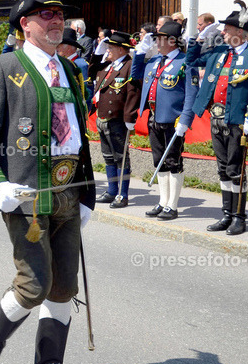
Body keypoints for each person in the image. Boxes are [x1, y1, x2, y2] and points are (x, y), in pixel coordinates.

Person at [0, 0, 95, 364]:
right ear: (25, 24)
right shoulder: (4, 67)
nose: (56, 20)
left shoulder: (72, 71)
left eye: (60, 14)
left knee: (62, 288)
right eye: (46, 14)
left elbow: (80, 137)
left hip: (69, 190)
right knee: (34, 284)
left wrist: (89, 192)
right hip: (25, 193)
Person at [180, 11, 248, 235]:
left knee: (235, 169)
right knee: (222, 169)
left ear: (240, 32)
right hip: (217, 118)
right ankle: (227, 214)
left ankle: (239, 216)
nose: (222, 32)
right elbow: (190, 61)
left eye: (227, 29)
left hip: (237, 122)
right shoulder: (219, 52)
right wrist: (198, 40)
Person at [132, 20, 199, 221]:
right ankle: (162, 201)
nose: (156, 43)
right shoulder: (154, 61)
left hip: (173, 120)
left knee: (173, 161)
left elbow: (191, 93)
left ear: (172, 41)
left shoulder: (185, 62)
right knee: (158, 161)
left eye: (159, 39)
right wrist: (139, 54)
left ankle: (173, 204)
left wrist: (186, 119)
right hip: (154, 117)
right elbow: (136, 75)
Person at [91, 30, 139, 207]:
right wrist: (97, 55)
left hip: (118, 119)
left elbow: (132, 93)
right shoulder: (107, 65)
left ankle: (122, 194)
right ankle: (111, 191)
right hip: (103, 118)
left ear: (121, 49)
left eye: (110, 47)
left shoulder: (128, 66)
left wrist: (130, 118)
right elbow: (91, 73)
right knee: (108, 157)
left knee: (121, 157)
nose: (107, 50)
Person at [57, 28, 92, 111]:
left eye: (59, 45)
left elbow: (86, 94)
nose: (56, 48)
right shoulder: (61, 63)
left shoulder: (81, 65)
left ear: (68, 48)